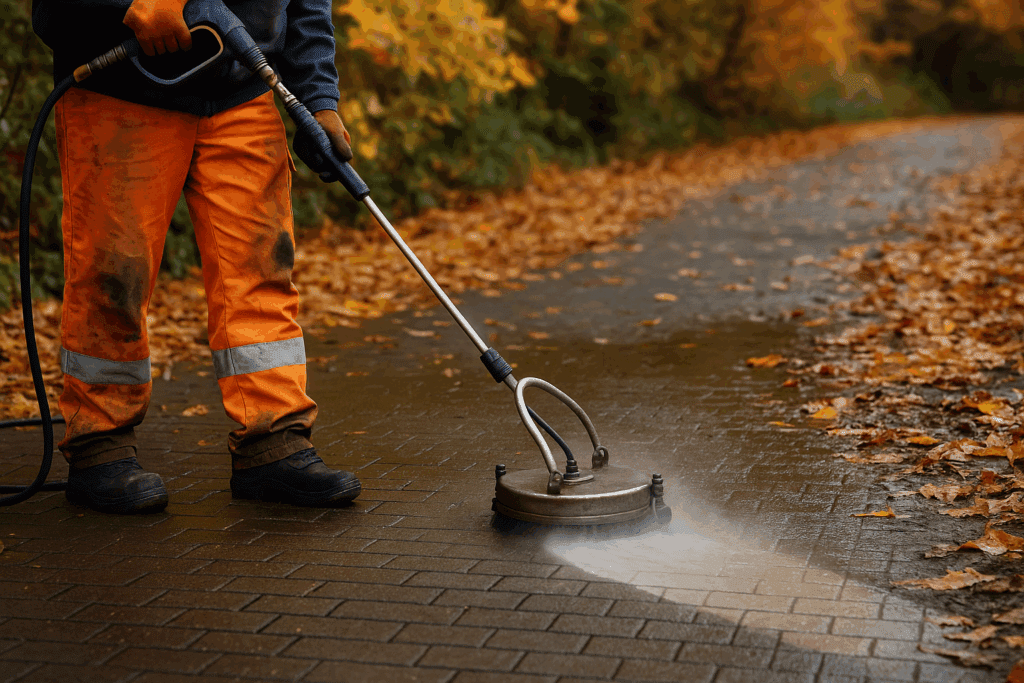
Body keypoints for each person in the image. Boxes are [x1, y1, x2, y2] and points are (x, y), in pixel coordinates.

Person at [31, 0, 361, 513]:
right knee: (114, 276)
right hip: (124, 87)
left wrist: (318, 97)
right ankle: (101, 444)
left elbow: (306, 4)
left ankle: (273, 440)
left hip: (242, 90)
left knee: (261, 272)